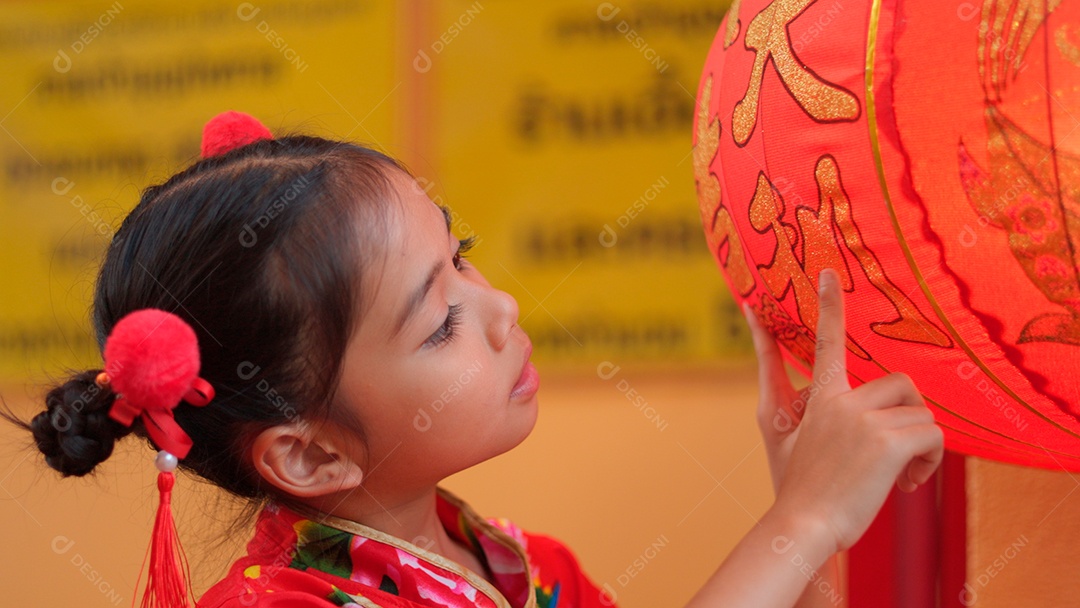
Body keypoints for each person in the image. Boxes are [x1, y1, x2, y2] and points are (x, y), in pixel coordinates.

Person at [8, 112, 943, 608]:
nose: (501, 308)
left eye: (462, 256)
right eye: (439, 322)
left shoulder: (523, 570)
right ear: (310, 454)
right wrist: (803, 517)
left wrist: (816, 528)